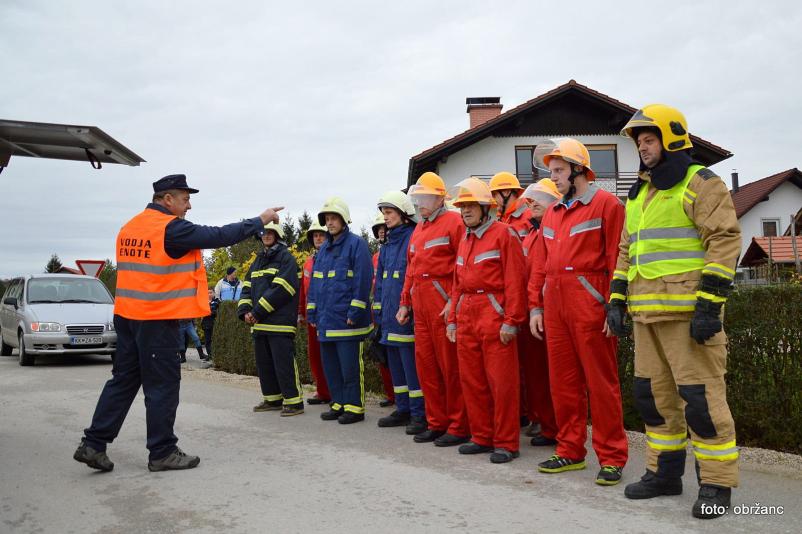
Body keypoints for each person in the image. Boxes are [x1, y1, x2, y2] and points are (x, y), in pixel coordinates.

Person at [74, 174, 281, 472]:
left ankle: (93, 444)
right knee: (162, 386)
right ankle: (162, 451)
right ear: (167, 199)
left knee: (123, 381)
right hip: (157, 320)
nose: (189, 206)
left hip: (127, 316)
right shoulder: (170, 228)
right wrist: (260, 220)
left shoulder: (130, 226)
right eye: (185, 200)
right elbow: (219, 236)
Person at [609, 105, 741, 518]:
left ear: (671, 139)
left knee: (701, 402)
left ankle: (716, 484)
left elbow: (724, 240)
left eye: (650, 140)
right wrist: (616, 298)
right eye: (640, 143)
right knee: (654, 400)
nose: (643, 149)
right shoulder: (639, 194)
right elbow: (627, 249)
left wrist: (710, 305)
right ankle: (664, 474)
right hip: (646, 317)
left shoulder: (700, 183)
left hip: (688, 317)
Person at [528, 138, 628, 485]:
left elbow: (617, 258)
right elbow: (540, 266)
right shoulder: (554, 212)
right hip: (556, 306)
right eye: (551, 171)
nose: (552, 177)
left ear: (578, 169)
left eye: (558, 170)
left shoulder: (607, 205)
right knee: (563, 384)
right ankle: (570, 450)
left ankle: (612, 457)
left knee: (601, 385)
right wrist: (536, 307)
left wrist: (616, 304)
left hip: (590, 303)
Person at [446, 177, 527, 464]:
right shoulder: (465, 239)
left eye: (470, 205)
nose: (465, 210)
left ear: (485, 207)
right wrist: (453, 319)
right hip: (467, 313)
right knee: (472, 380)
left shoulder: (504, 234)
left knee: (501, 383)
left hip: (494, 314)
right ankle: (481, 436)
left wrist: (511, 320)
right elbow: (457, 283)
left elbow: (516, 280)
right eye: (462, 206)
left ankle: (506, 442)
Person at [398, 172, 470, 447]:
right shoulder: (419, 229)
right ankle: (436, 422)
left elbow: (463, 265)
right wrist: (405, 302)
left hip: (443, 306)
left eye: (425, 198)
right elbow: (411, 269)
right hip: (421, 307)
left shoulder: (454, 222)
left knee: (450, 368)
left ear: (441, 198)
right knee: (427, 368)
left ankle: (459, 425)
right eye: (417, 199)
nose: (420, 204)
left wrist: (453, 299)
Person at [306, 197, 374, 424]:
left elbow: (363, 280)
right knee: (331, 368)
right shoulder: (324, 250)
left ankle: (354, 408)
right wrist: (312, 312)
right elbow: (315, 285)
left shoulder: (357, 244)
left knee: (349, 368)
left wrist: (355, 311)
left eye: (334, 218)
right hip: (326, 321)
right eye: (327, 219)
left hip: (347, 322)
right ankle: (338, 403)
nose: (330, 222)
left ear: (344, 220)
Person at [373, 191, 427, 435]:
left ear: (404, 214)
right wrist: (379, 315)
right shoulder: (387, 245)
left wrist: (410, 309)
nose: (385, 217)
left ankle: (418, 414)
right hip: (389, 318)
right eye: (384, 213)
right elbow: (380, 284)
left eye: (389, 212)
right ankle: (403, 408)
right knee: (396, 367)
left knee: (411, 369)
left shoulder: (412, 238)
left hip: (406, 317)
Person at [237, 222, 303, 416]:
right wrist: (245, 311)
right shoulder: (258, 260)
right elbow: (247, 287)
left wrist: (257, 312)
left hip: (280, 324)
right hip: (260, 324)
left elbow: (282, 289)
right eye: (263, 233)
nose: (266, 235)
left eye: (270, 232)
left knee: (284, 364)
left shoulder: (286, 258)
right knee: (265, 365)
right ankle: (273, 399)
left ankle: (294, 402)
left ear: (277, 235)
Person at [518, 180, 561, 447]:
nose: (532, 203)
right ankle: (545, 423)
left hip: (547, 311)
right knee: (536, 374)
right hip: (531, 312)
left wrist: (538, 307)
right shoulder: (534, 233)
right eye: (531, 199)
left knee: (551, 374)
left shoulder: (549, 232)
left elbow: (543, 274)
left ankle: (554, 427)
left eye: (539, 199)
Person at [298, 221, 331, 405]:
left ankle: (334, 392)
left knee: (330, 356)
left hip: (329, 315)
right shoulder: (308, 263)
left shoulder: (333, 258)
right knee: (315, 355)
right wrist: (301, 312)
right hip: (312, 317)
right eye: (315, 236)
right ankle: (322, 391)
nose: (318, 238)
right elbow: (303, 291)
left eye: (321, 235)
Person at [370, 212, 397, 408]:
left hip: (393, 311)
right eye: (378, 229)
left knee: (395, 357)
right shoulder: (375, 257)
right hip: (378, 313)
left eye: (384, 228)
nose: (381, 231)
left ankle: (399, 396)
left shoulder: (395, 252)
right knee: (382, 356)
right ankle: (390, 394)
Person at [489, 171, 532, 240]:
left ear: (507, 192)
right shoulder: (502, 219)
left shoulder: (530, 216)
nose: (493, 199)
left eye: (494, 195)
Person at [201, 289, 220, 359]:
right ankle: (210, 355)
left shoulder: (217, 301)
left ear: (214, 293)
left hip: (215, 323)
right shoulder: (204, 302)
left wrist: (210, 313)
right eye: (208, 293)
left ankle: (216, 354)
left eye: (211, 292)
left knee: (215, 339)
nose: (209, 294)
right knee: (207, 340)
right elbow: (202, 312)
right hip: (206, 324)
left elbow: (217, 312)